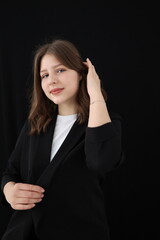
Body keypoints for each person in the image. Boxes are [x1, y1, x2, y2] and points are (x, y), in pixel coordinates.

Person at [1, 38, 124, 240]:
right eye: (44, 75)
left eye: (60, 70)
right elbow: (11, 172)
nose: (51, 80)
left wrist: (95, 93)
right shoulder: (35, 124)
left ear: (81, 73)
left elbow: (100, 161)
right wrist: (9, 191)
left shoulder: (105, 122)